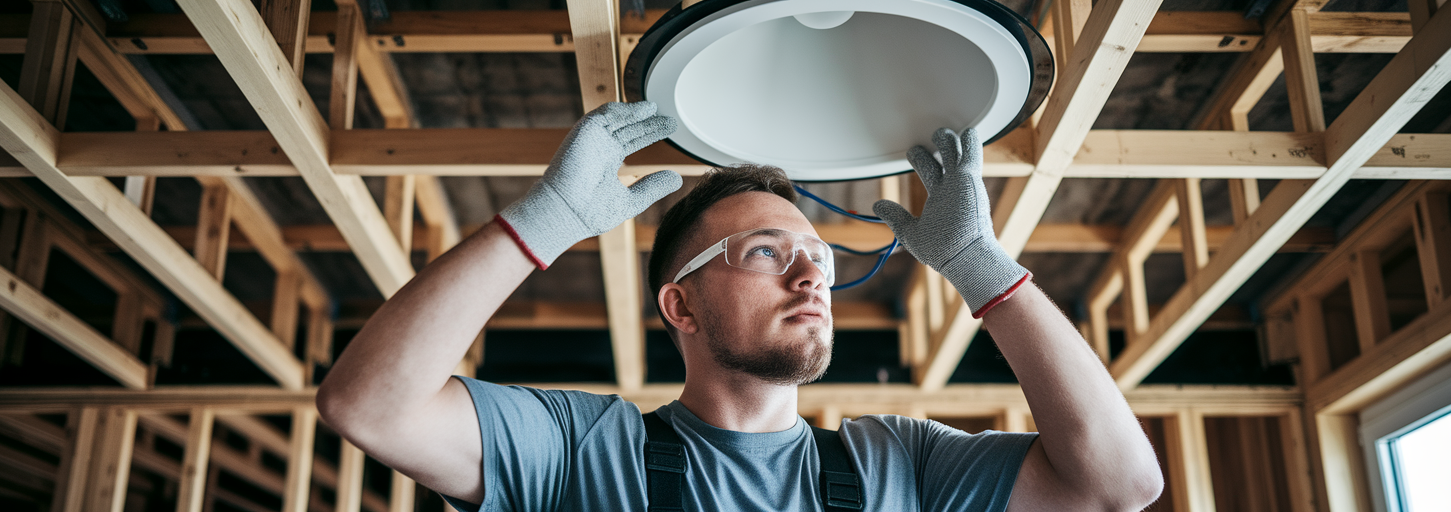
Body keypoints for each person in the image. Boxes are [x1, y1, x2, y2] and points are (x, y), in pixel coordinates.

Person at [317, 101, 1165, 511]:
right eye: (766, 253)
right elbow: (368, 405)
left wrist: (982, 266)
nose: (811, 280)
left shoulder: (899, 464)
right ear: (679, 306)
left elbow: (1123, 483)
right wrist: (540, 223)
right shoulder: (581, 452)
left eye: (820, 259)